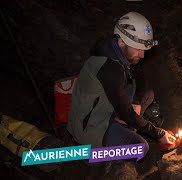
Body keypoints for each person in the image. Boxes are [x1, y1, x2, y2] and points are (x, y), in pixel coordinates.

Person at [67, 12, 175, 157]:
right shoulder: (110, 67)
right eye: (138, 48)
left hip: (107, 108)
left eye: (144, 49)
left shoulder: (120, 53)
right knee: (140, 149)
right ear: (121, 41)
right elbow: (126, 111)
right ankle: (94, 155)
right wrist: (158, 133)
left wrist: (136, 102)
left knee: (148, 94)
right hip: (91, 127)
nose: (142, 55)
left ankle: (122, 124)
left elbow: (138, 80)